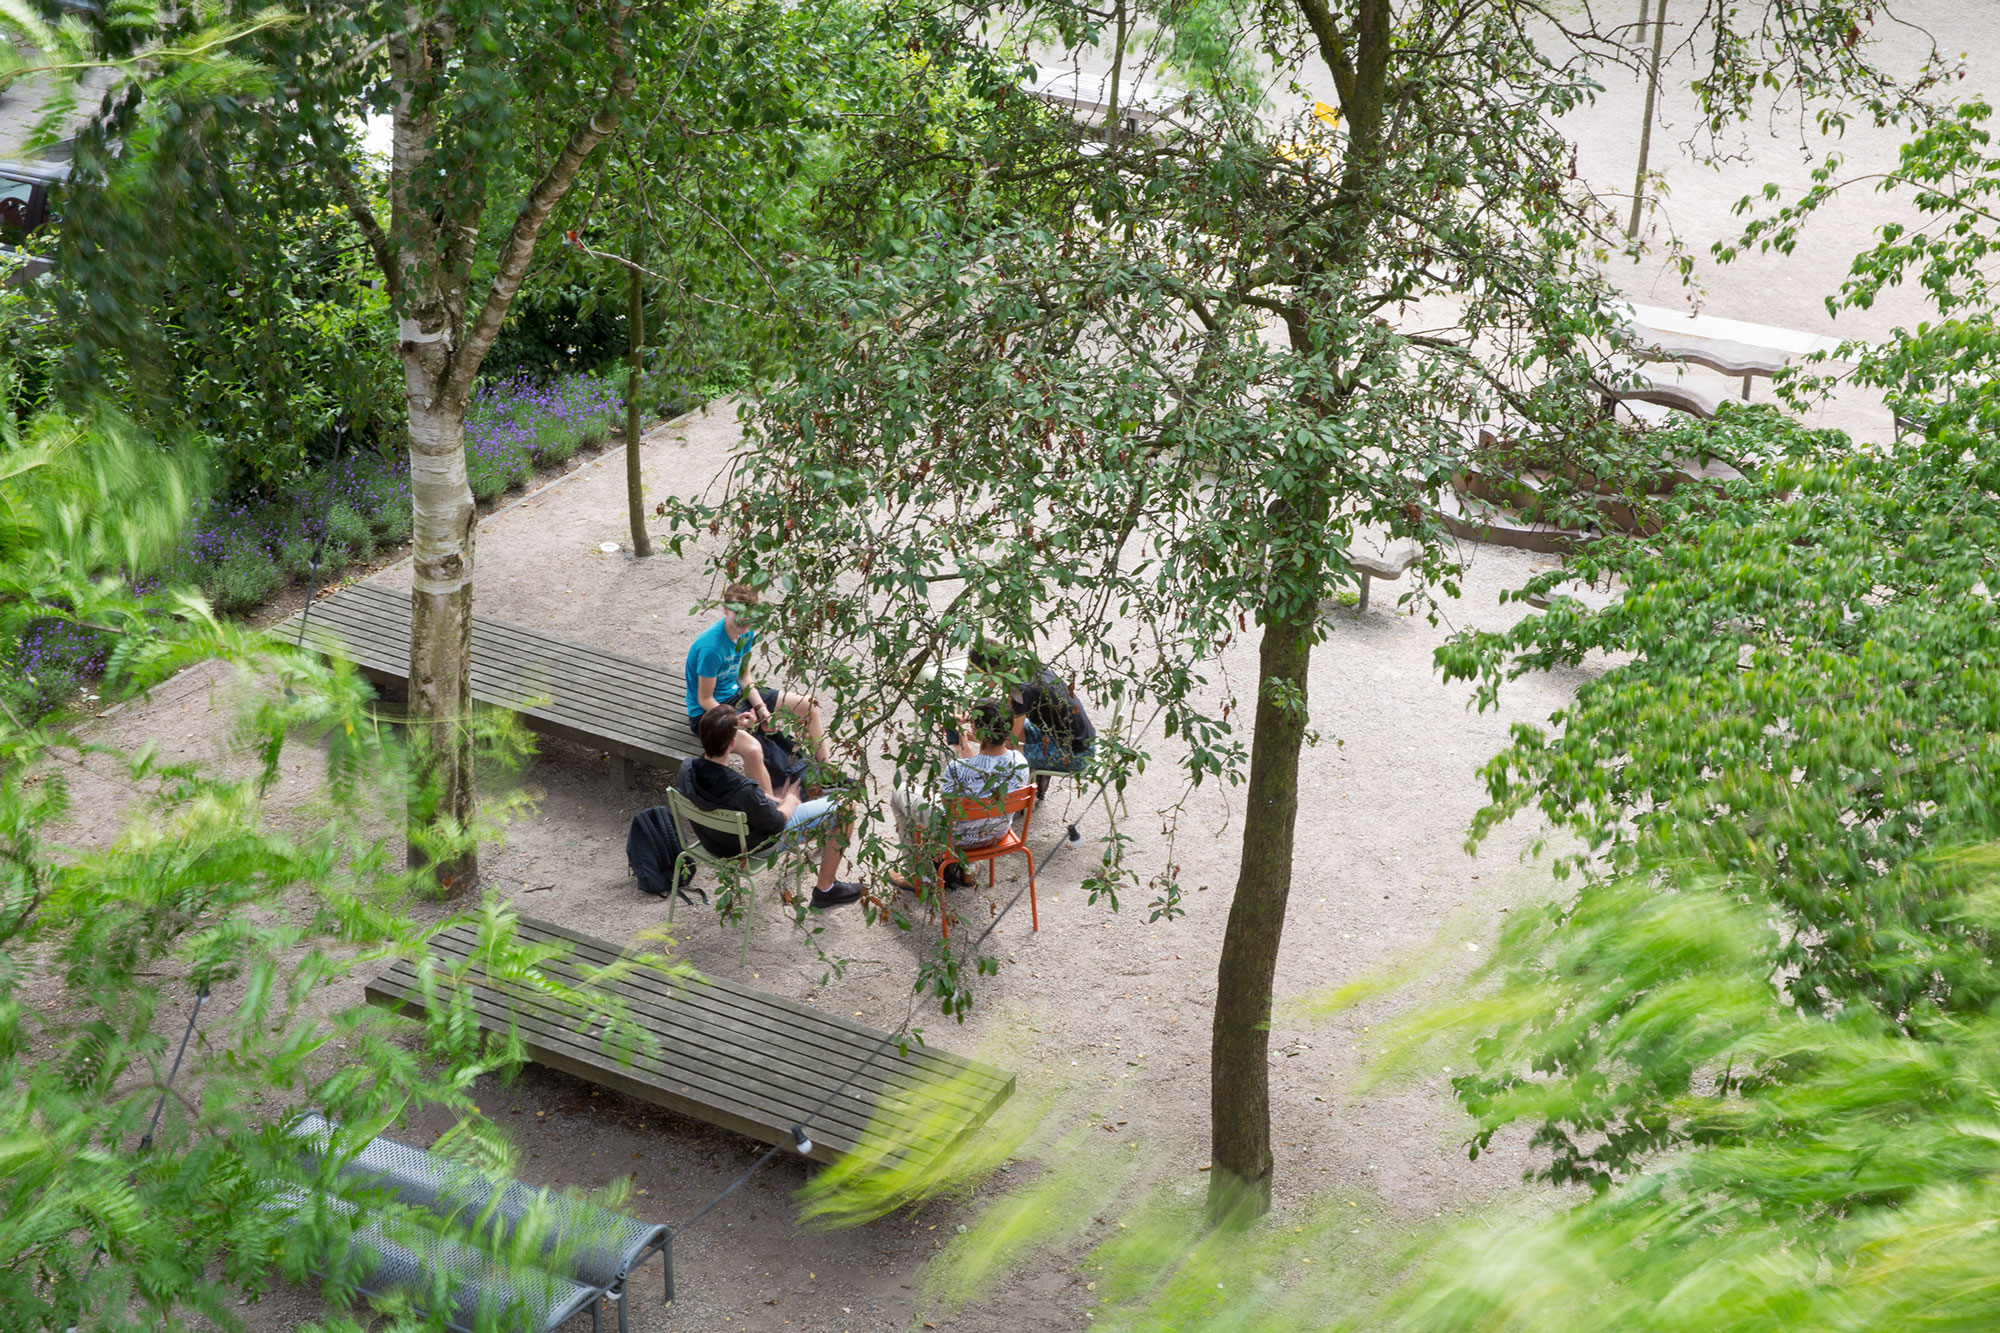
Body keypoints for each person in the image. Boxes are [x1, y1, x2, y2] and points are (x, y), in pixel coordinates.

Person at [675, 706, 863, 909]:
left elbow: (746, 799)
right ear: (732, 743)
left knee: (796, 807)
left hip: (713, 842)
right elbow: (776, 823)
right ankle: (826, 889)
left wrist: (770, 799)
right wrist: (789, 799)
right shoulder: (743, 790)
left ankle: (821, 835)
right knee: (847, 806)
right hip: (753, 848)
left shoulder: (688, 768)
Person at [684, 581, 827, 795]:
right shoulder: (711, 648)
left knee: (808, 706)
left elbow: (743, 676)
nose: (744, 620)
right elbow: (705, 700)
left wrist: (762, 710)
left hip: (735, 694)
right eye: (738, 613)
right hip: (707, 713)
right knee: (754, 750)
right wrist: (736, 719)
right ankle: (771, 809)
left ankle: (827, 772)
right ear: (725, 610)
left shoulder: (746, 632)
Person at [888, 699, 1032, 893]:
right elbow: (985, 773)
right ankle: (969, 868)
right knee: (976, 806)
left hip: (958, 840)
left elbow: (948, 812)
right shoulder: (1020, 761)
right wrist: (964, 747)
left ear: (977, 730)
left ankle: (916, 875)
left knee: (901, 791)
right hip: (996, 833)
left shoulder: (957, 769)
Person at [968, 645, 1096, 800]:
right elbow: (1009, 721)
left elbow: (1007, 742)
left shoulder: (1020, 691)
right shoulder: (1027, 667)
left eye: (976, 672)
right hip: (1078, 737)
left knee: (1003, 756)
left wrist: (970, 737)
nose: (972, 676)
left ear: (992, 671)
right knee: (1004, 735)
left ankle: (998, 803)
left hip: (1075, 754)